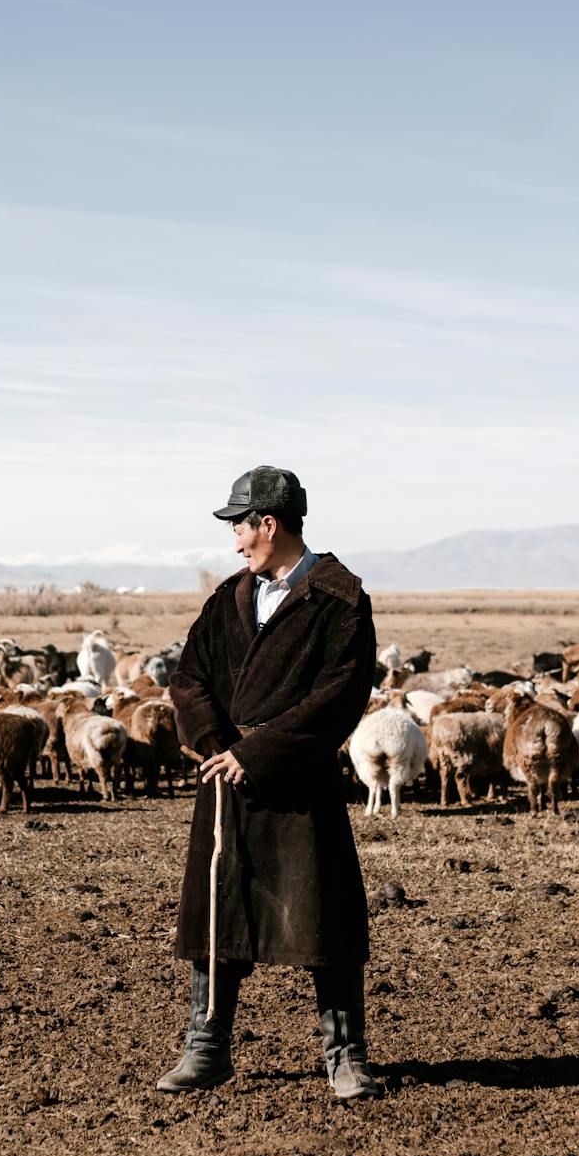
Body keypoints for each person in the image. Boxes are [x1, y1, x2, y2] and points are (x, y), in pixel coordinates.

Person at [156, 465, 381, 1100]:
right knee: (217, 910)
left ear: (269, 524)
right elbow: (189, 678)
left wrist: (257, 753)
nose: (235, 542)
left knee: (324, 918)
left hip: (296, 779)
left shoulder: (339, 600)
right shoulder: (228, 599)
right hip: (224, 780)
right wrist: (214, 746)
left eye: (240, 528)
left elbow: (338, 697)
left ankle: (345, 1055)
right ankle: (207, 1046)